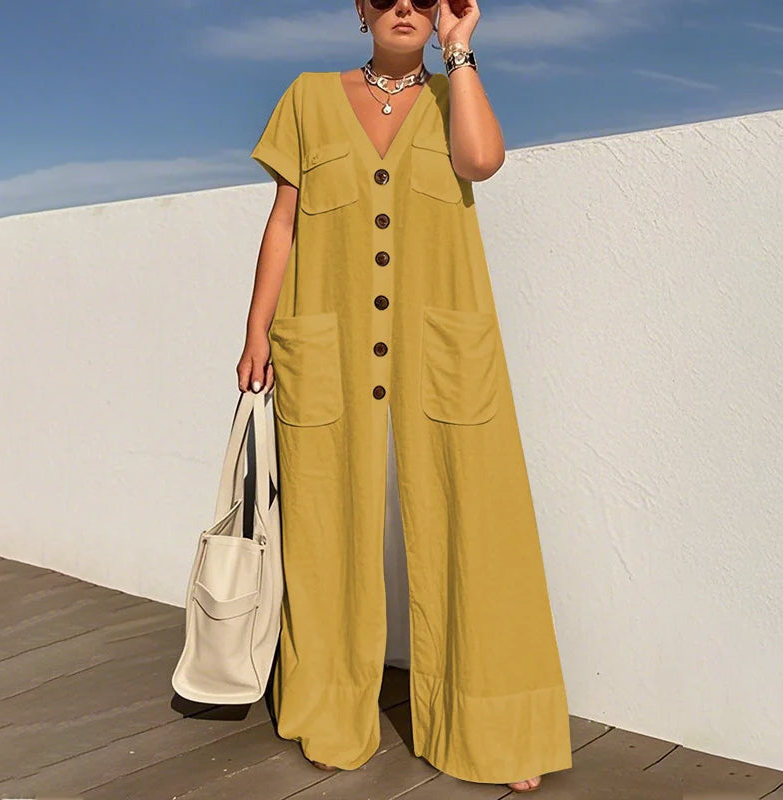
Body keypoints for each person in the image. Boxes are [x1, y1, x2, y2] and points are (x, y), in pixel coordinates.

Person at [237, 0, 573, 793]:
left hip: (444, 343)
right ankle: (328, 709)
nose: (404, 8)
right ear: (361, 10)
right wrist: (256, 330)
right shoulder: (307, 97)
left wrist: (460, 50)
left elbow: (481, 161)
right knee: (325, 522)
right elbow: (284, 222)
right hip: (326, 339)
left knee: (477, 520)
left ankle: (494, 725)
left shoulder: (453, 93)